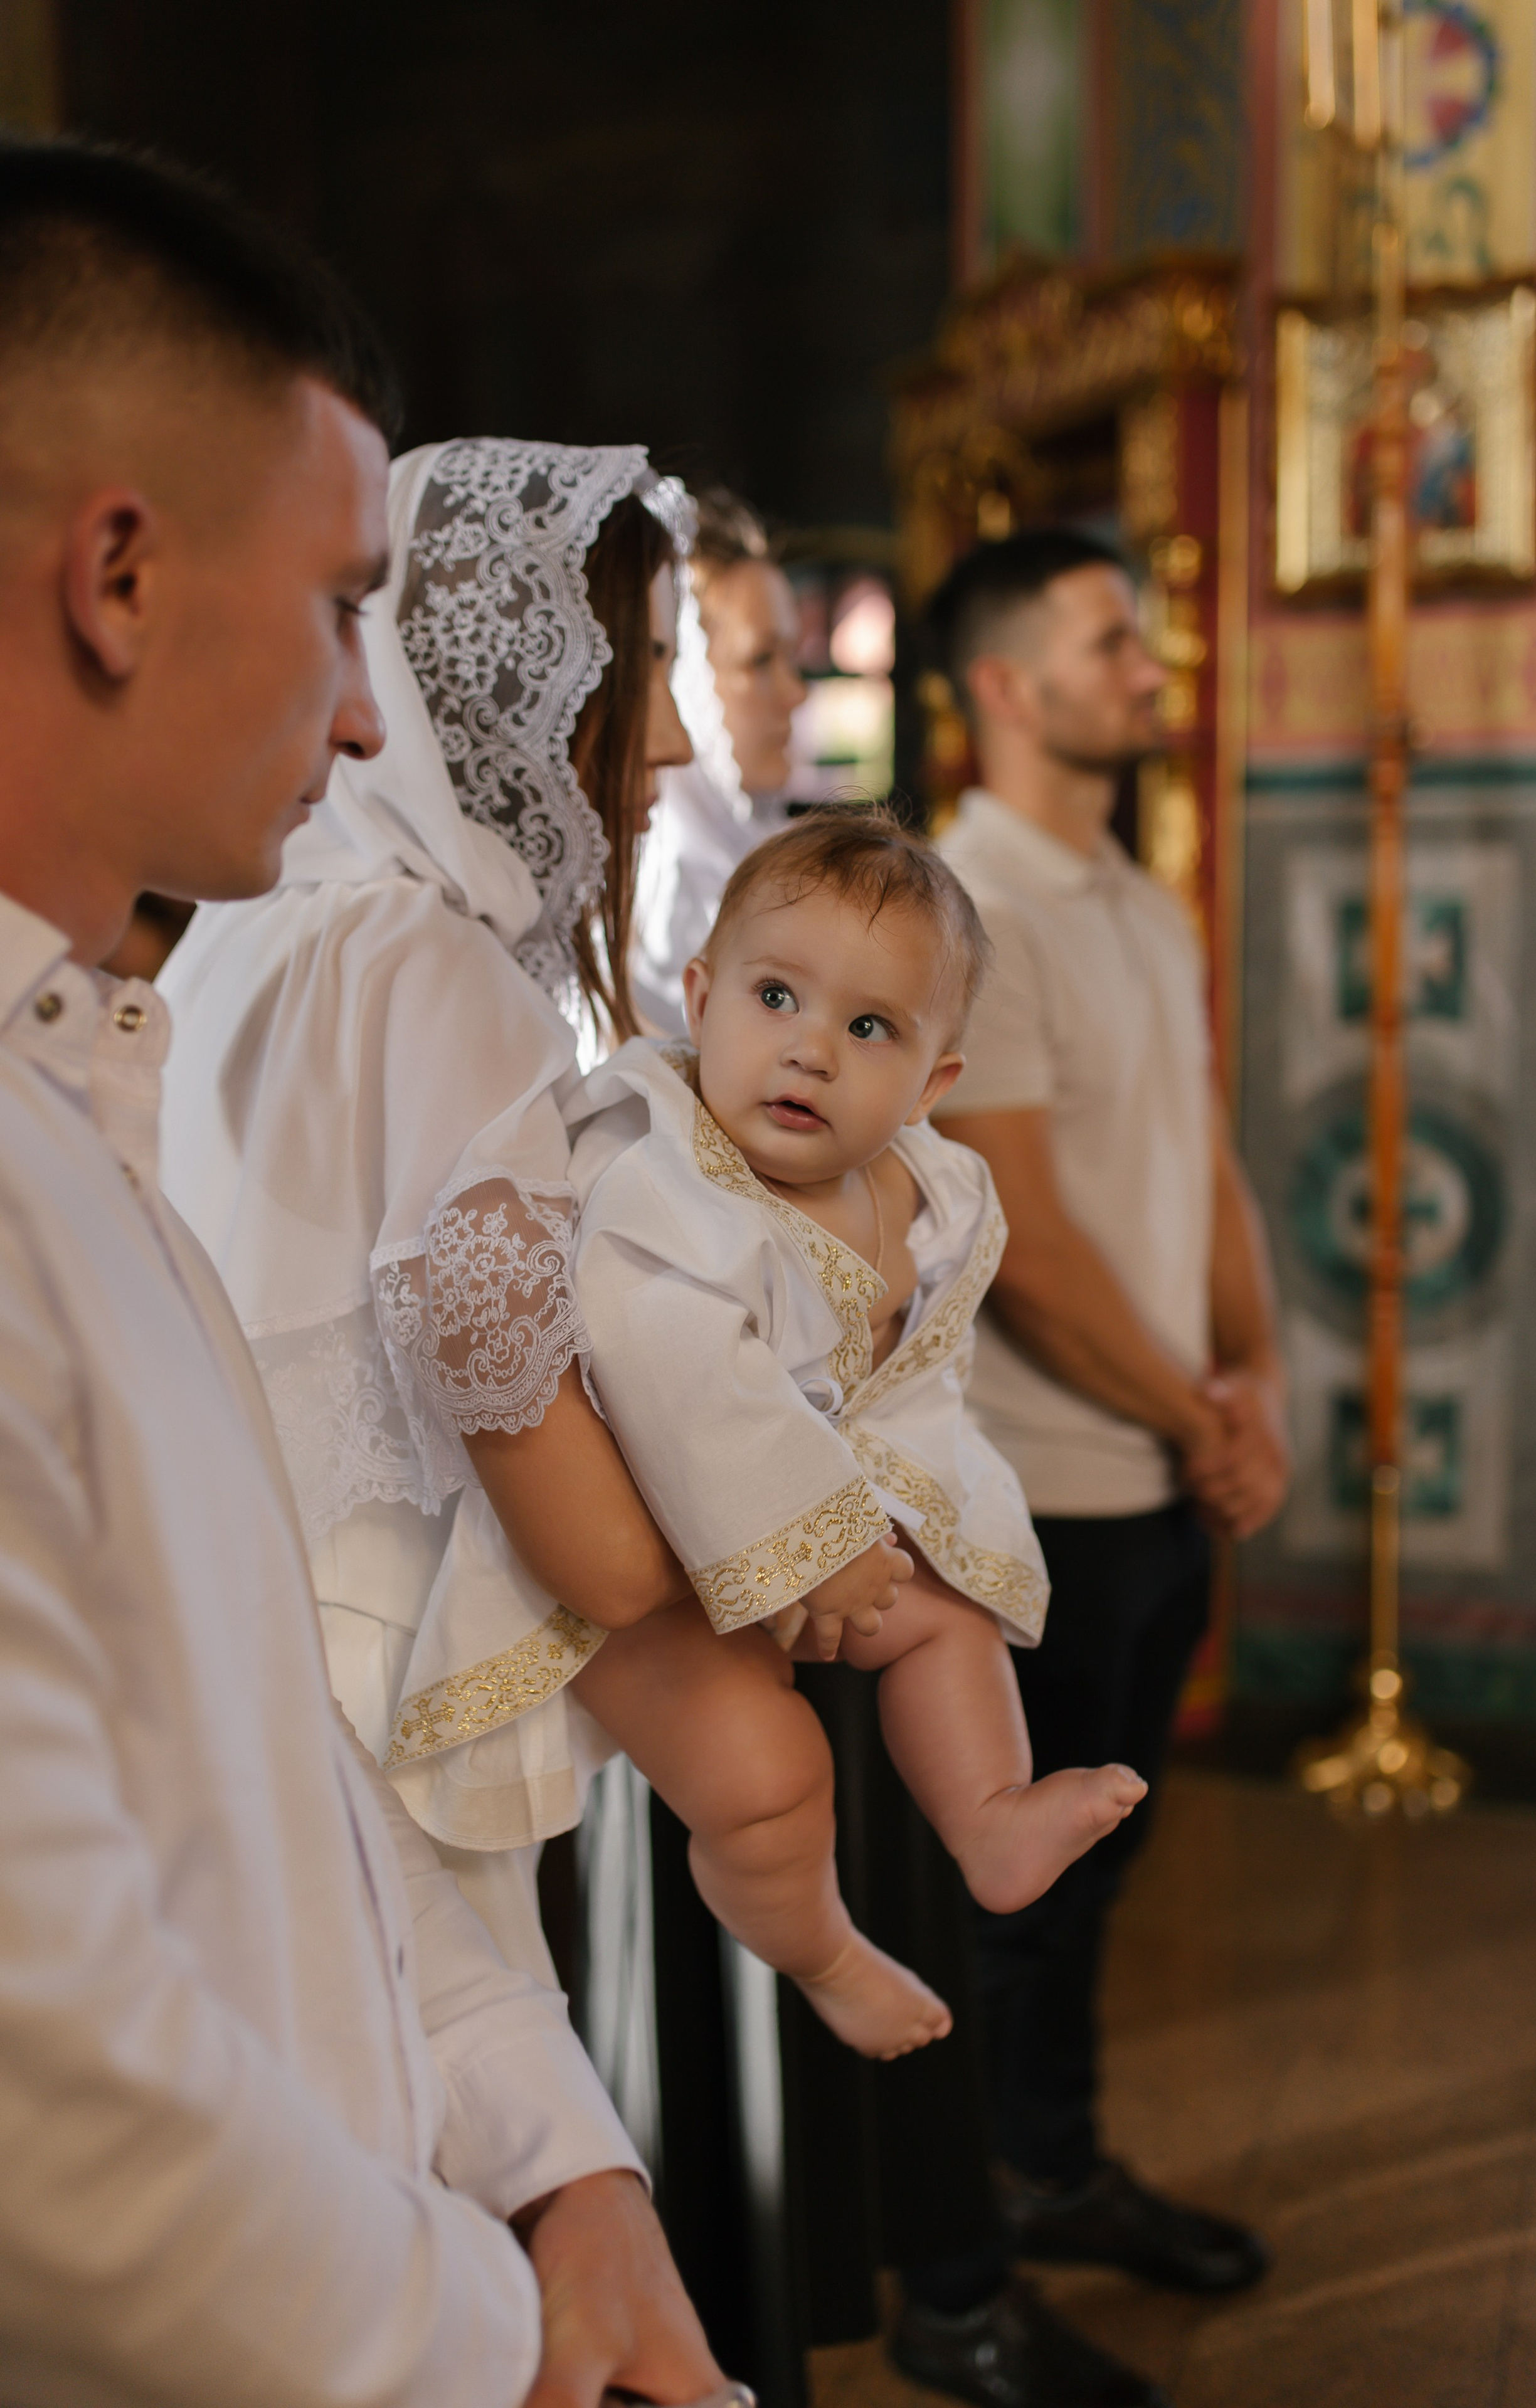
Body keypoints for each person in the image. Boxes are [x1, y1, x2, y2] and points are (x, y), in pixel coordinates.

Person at [0, 134, 721, 2408]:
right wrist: (477, 2330)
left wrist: (547, 2147)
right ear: (118, 572)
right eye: (334, 607)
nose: (353, 708)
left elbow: (253, 1768)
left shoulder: (86, 1070)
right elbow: (49, 2082)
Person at [159, 436, 705, 1984]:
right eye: (632, 676)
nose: (664, 744)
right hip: (395, 1699)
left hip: (244, 1670)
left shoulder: (255, 929)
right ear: (509, 696)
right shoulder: (432, 969)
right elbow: (576, 1522)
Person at [562, 811, 1146, 2059]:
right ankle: (821, 1951)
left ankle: (989, 1814)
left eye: (868, 1028)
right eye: (776, 997)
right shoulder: (664, 1181)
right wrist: (808, 1532)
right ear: (702, 997)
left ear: (933, 1082)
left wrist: (894, 1521)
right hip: (647, 1550)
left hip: (820, 1524)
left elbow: (913, 1384)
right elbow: (669, 1366)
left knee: (950, 1616)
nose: (810, 1052)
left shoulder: (923, 1194)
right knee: (766, 1781)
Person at [928, 528, 1290, 2325]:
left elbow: (1202, 1164)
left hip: (1156, 1469)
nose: (1153, 661)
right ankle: (966, 2240)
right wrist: (1195, 1413)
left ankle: (1053, 2168)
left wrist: (1256, 1384)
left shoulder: (1141, 899)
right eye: (1111, 638)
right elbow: (1028, 1250)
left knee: (1102, 1861)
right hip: (1032, 1491)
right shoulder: (960, 909)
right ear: (1006, 685)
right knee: (1006, 1893)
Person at [631, 487, 806, 1035]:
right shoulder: (650, 912)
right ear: (688, 683)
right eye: (760, 660)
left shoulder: (786, 860)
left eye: (792, 658)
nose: (795, 693)